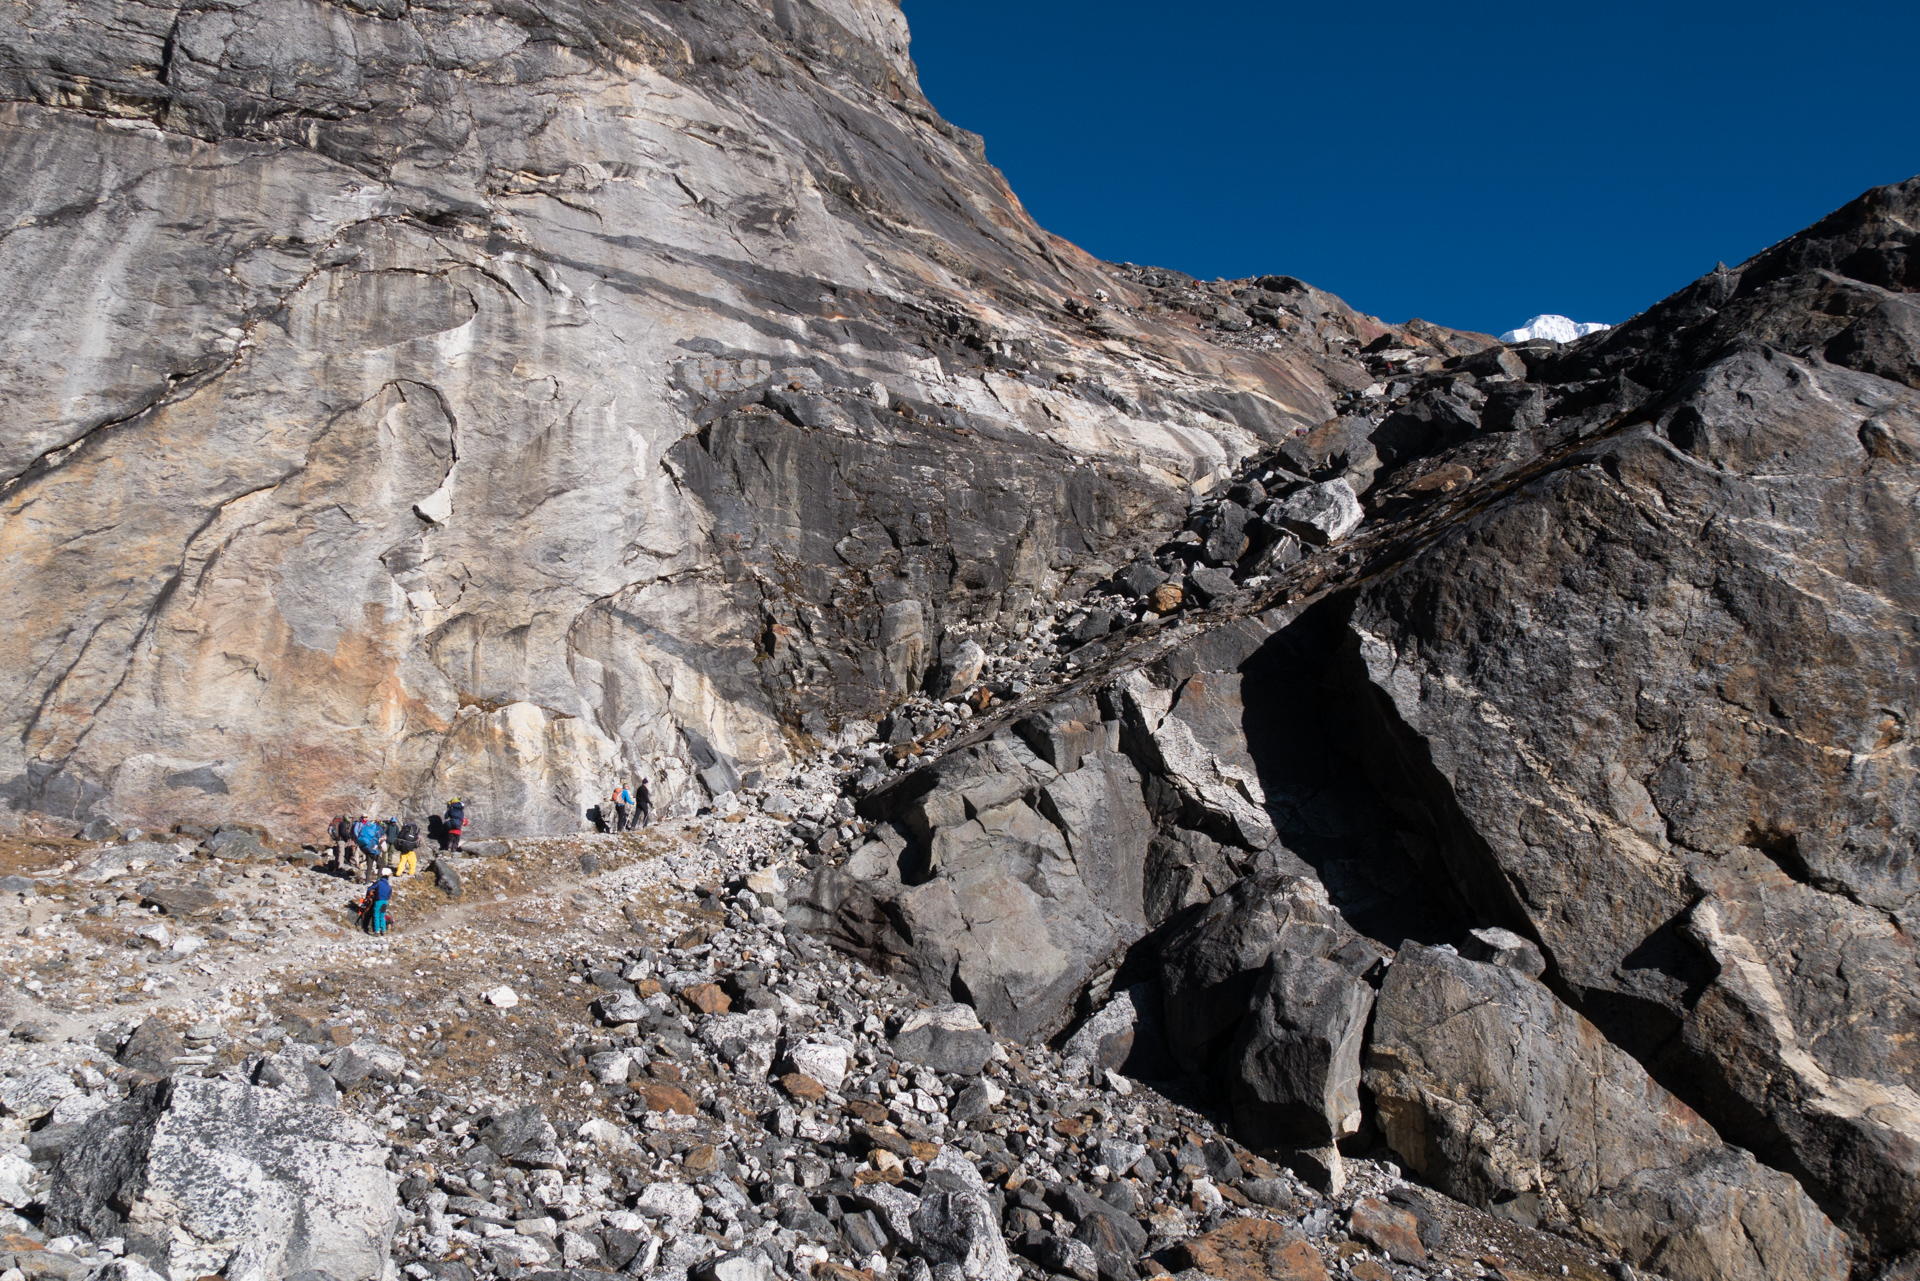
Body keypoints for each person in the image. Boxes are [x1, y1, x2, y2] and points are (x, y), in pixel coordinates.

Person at [361, 868, 393, 934]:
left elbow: (370, 888)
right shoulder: (389, 886)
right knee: (382, 915)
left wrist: (368, 895)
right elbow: (389, 896)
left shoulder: (379, 883)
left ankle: (377, 931)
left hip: (378, 901)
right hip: (385, 902)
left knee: (376, 915)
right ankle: (383, 930)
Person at [352, 815, 383, 882]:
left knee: (369, 866)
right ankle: (379, 879)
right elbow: (379, 836)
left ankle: (367, 880)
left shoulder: (366, 827)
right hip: (373, 849)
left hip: (366, 849)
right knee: (380, 864)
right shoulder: (376, 829)